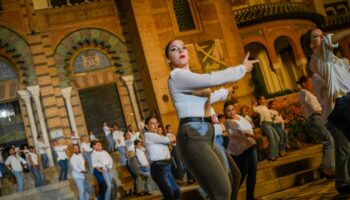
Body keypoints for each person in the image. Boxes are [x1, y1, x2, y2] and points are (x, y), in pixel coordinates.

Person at [166, 39, 258, 199]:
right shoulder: (177, 76)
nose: (180, 50)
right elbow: (210, 79)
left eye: (183, 47)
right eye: (174, 49)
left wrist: (224, 92)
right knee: (221, 191)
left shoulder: (190, 77)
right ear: (168, 59)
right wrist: (241, 69)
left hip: (205, 133)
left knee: (234, 177)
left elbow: (206, 98)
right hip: (192, 135)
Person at [301, 28, 350, 194]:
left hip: (342, 105)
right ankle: (343, 183)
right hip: (338, 107)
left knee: (345, 149)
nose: (322, 37)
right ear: (310, 45)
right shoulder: (319, 58)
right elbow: (330, 40)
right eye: (316, 36)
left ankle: (344, 182)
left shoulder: (337, 61)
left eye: (322, 34)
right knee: (343, 149)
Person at [297, 75, 335, 178]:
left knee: (328, 140)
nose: (312, 84)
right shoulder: (304, 93)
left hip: (317, 117)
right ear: (304, 84)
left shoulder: (307, 93)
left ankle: (329, 167)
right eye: (309, 82)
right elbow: (314, 108)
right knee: (328, 141)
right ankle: (327, 167)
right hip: (315, 117)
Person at [224, 101, 259, 200]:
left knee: (253, 173)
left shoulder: (240, 117)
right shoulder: (228, 122)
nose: (231, 112)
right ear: (225, 112)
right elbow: (241, 133)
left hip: (251, 146)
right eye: (228, 111)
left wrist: (253, 136)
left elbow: (249, 127)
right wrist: (256, 137)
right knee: (241, 175)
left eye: (232, 109)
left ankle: (250, 197)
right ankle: (230, 197)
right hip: (241, 151)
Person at [144, 116, 179, 200]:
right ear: (146, 126)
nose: (155, 125)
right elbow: (170, 139)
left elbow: (172, 139)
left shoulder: (157, 136)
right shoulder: (149, 135)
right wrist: (169, 139)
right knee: (170, 194)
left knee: (176, 191)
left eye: (156, 123)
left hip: (166, 166)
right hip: (159, 168)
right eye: (152, 123)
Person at [252, 96, 280, 161]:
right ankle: (271, 156)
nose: (264, 100)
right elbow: (254, 110)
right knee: (272, 140)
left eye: (264, 98)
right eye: (263, 99)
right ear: (259, 101)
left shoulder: (265, 107)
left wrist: (272, 116)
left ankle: (275, 154)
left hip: (269, 124)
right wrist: (254, 104)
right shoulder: (258, 108)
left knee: (277, 138)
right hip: (265, 124)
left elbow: (269, 114)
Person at [124, 131, 142, 196]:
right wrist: (137, 133)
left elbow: (140, 140)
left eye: (129, 135)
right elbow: (132, 140)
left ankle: (136, 191)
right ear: (125, 137)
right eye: (127, 135)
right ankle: (138, 191)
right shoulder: (127, 142)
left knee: (135, 176)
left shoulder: (129, 141)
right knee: (138, 175)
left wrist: (137, 135)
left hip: (132, 158)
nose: (129, 136)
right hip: (131, 159)